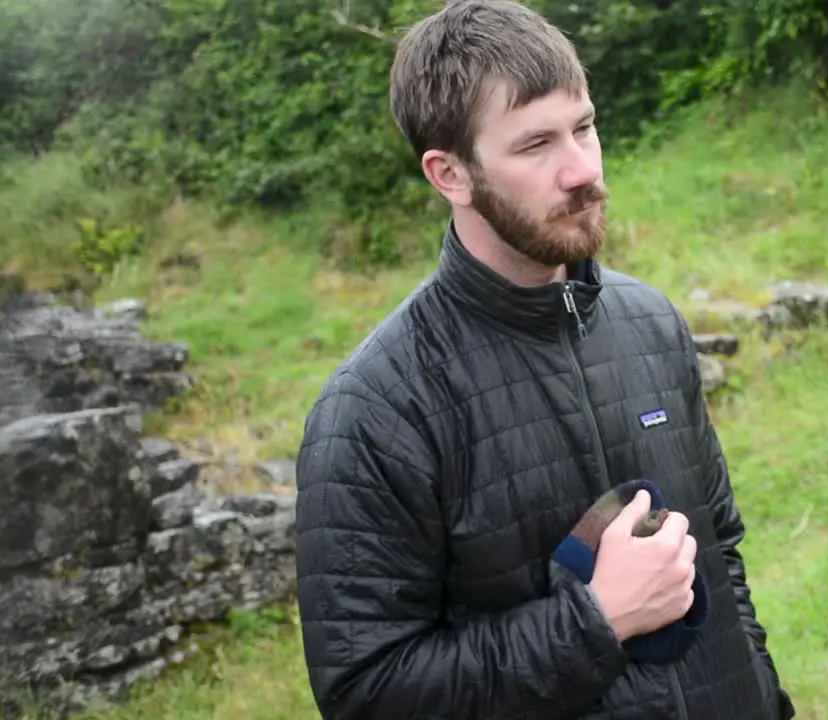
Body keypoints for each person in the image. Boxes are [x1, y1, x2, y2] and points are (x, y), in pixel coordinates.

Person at [292, 1, 795, 718]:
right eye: (536, 146)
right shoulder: (375, 410)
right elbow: (366, 694)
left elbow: (721, 556)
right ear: (451, 175)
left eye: (584, 127)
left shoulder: (651, 324)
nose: (582, 170)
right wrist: (594, 622)